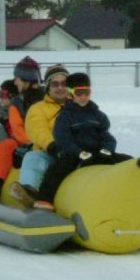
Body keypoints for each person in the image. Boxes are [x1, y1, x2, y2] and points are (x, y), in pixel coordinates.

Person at [31, 72, 131, 210]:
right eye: (79, 93)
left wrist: (107, 148)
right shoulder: (65, 117)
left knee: (128, 161)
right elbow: (63, 139)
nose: (83, 96)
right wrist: (78, 152)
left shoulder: (97, 115)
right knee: (58, 169)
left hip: (97, 153)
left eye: (86, 92)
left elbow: (106, 135)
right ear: (70, 94)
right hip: (75, 154)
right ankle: (45, 198)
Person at [9, 63, 70, 206]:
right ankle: (30, 191)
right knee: (33, 158)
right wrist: (53, 146)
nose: (60, 88)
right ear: (48, 87)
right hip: (50, 153)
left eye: (64, 83)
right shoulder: (38, 109)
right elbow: (38, 130)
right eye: (55, 84)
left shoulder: (79, 106)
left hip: (77, 153)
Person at [0, 56, 44, 197]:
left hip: (44, 141)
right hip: (24, 142)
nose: (15, 81)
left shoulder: (46, 99)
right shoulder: (16, 103)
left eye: (17, 78)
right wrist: (29, 142)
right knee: (6, 145)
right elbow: (17, 128)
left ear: (26, 80)